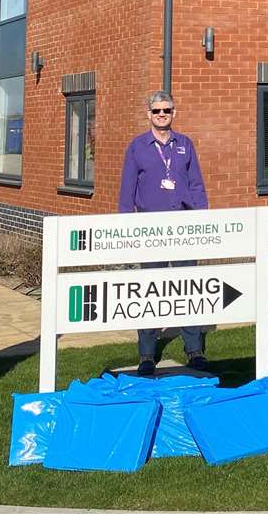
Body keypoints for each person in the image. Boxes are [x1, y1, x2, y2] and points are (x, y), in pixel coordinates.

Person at [118, 90, 212, 376]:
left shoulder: (184, 145)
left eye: (167, 110)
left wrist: (202, 219)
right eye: (157, 111)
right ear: (149, 114)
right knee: (150, 290)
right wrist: (126, 227)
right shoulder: (137, 147)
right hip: (150, 229)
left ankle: (194, 349)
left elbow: (196, 184)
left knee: (188, 289)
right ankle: (147, 354)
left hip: (183, 227)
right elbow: (127, 190)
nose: (162, 115)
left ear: (174, 113)